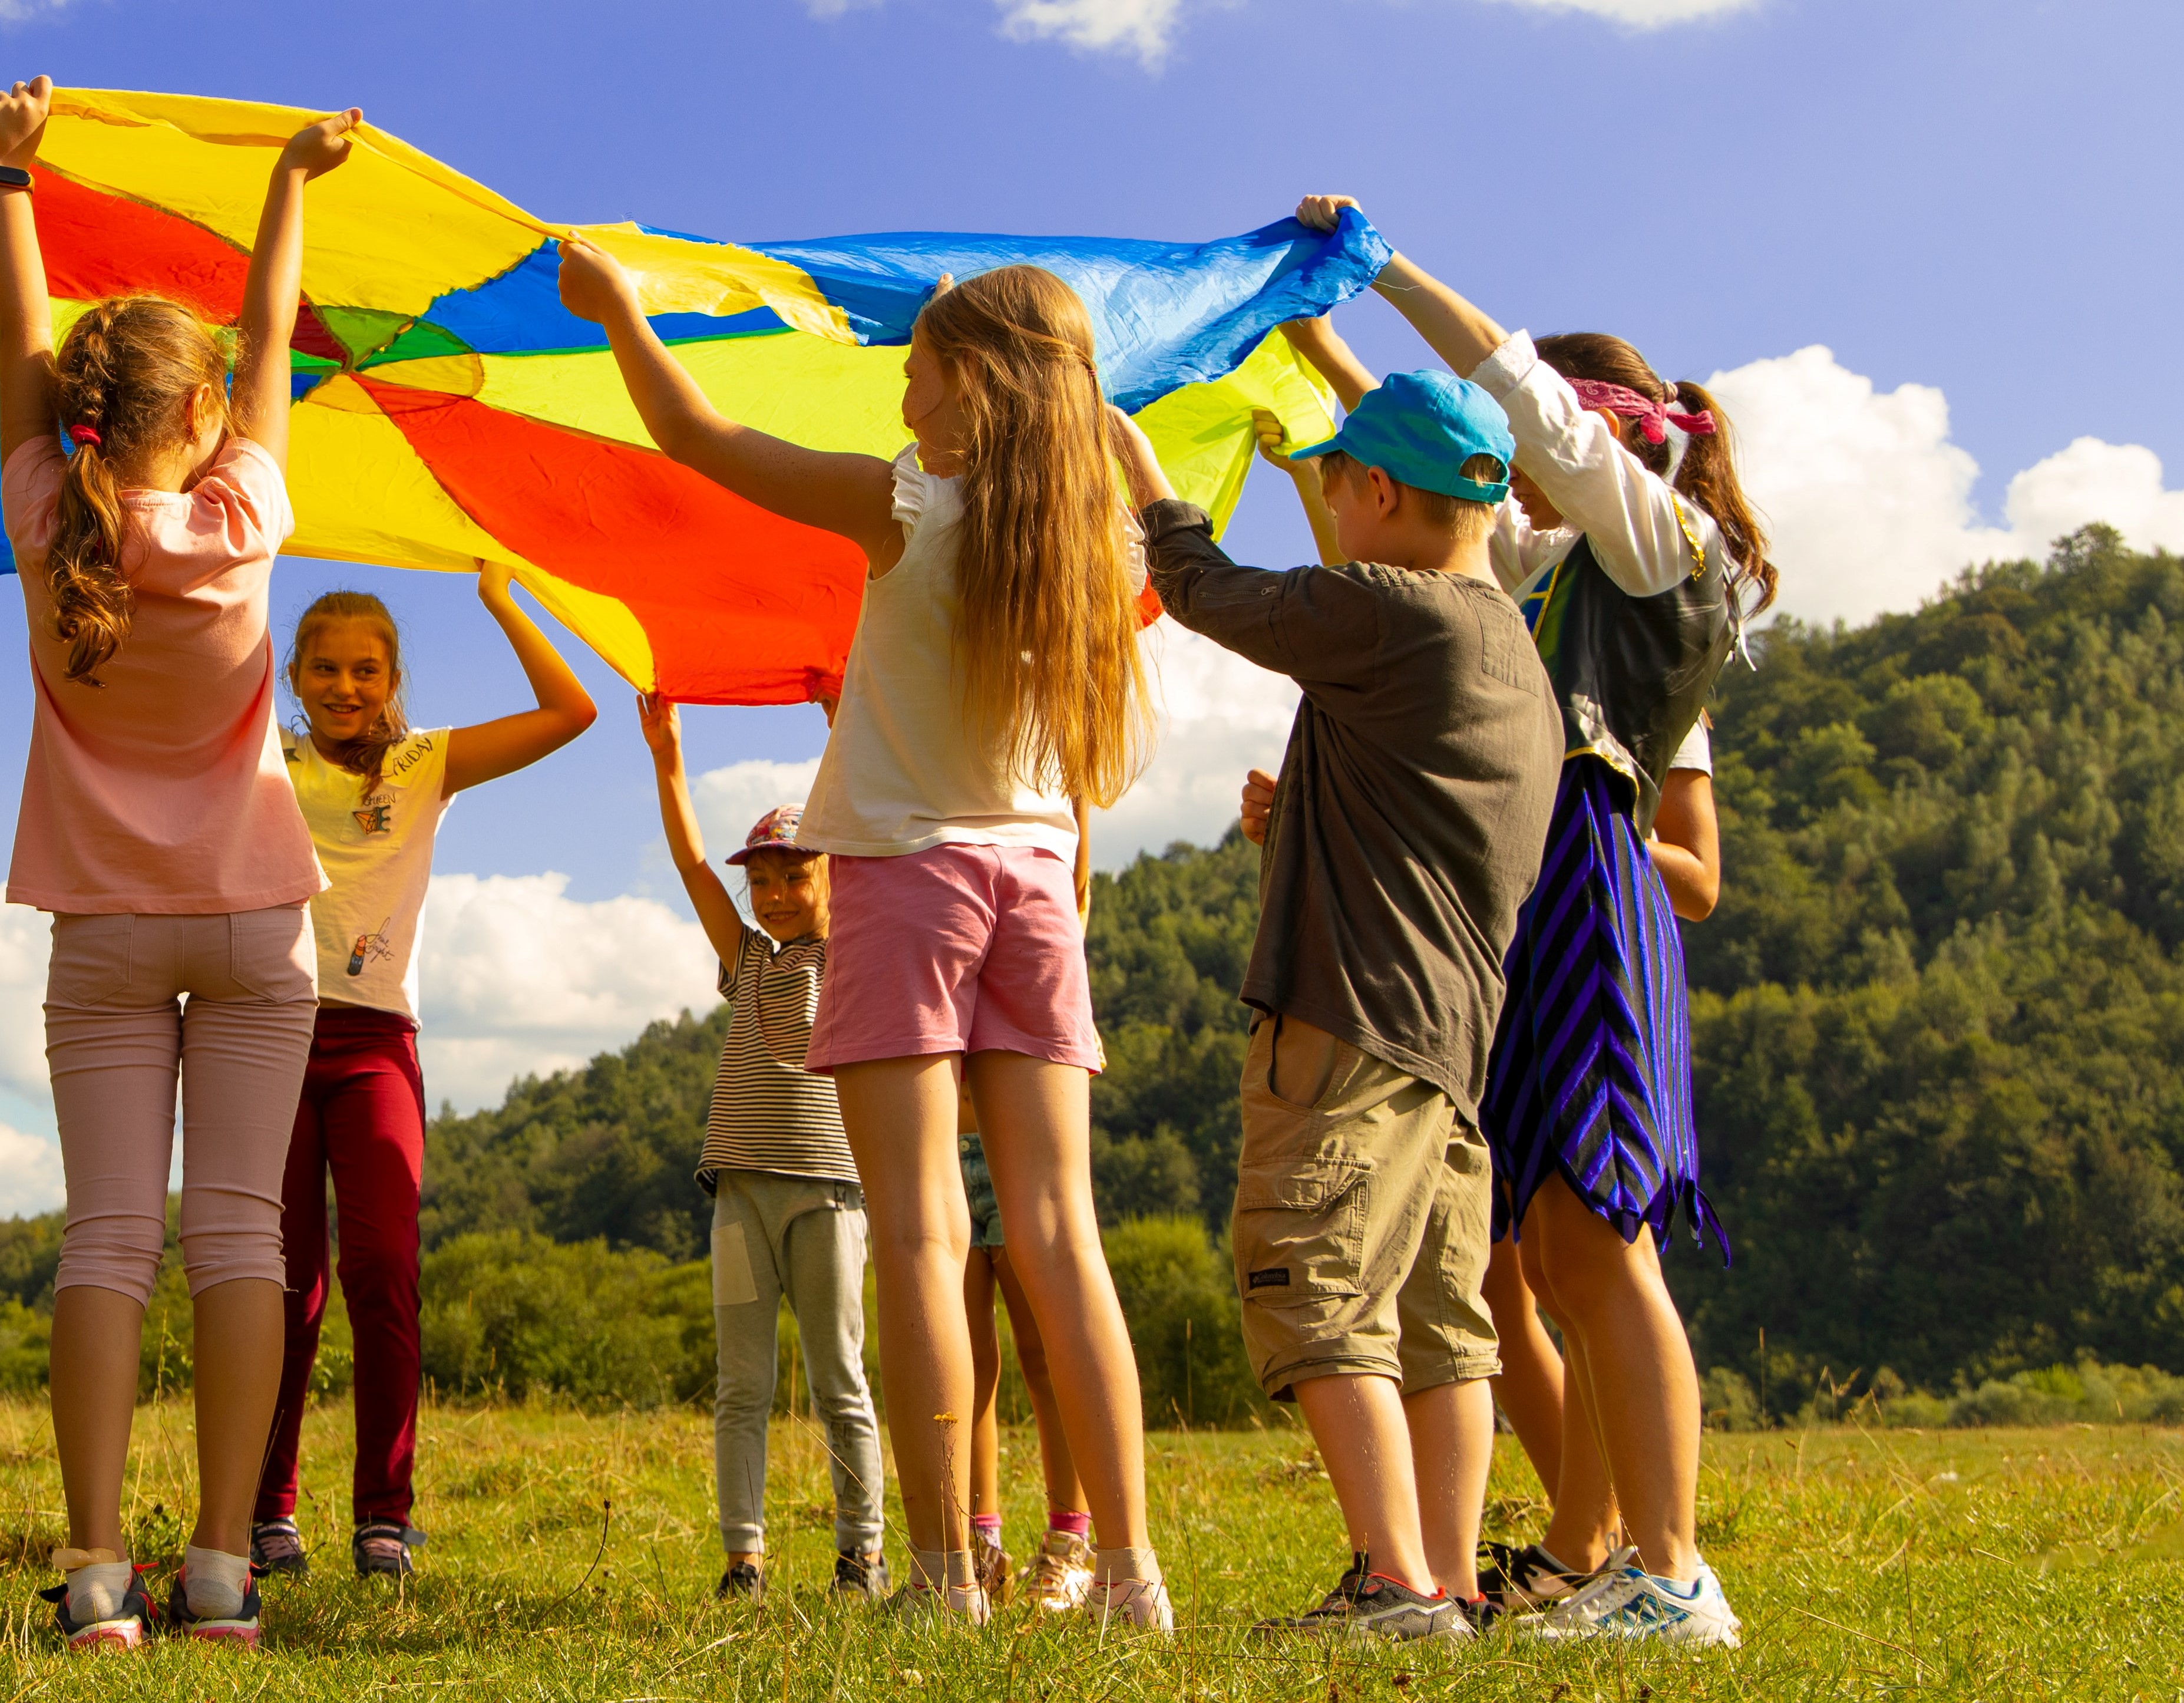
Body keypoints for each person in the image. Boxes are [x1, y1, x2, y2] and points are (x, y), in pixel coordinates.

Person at [556, 247, 1171, 1628]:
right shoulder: (1104, 542)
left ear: (975, 384)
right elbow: (1142, 488)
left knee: (916, 1230)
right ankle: (1134, 1574)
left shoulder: (907, 506)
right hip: (1035, 885)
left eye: (920, 361)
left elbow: (697, 433)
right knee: (1066, 1233)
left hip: (904, 874)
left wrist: (622, 314)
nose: (902, 380)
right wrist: (1106, 429)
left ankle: (948, 1572)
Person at [1293, 194, 1772, 1648]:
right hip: (1521, 888)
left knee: (1605, 1242)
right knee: (1556, 1248)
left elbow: (1504, 396)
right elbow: (1440, 464)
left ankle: (1673, 1568)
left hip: (1593, 876)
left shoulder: (1658, 541)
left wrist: (1385, 273)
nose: (1510, 482)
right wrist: (1308, 337)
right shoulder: (1544, 572)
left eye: (1546, 446)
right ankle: (1617, 1552)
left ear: (1601, 435)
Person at [0, 74, 361, 1652]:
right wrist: (289, 179)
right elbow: (275, 340)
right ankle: (217, 1565)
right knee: (241, 1241)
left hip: (100, 935)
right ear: (200, 422)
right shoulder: (245, 517)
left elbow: (16, 358)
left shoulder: (40, 517)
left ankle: (90, 1569)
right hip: (254, 921)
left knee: (106, 1241)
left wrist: (9, 179)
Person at [1120, 351, 1562, 1639]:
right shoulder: (1508, 653)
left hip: (1352, 1018)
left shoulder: (1399, 608)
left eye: (1334, 483)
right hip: (1445, 1038)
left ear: (1374, 487)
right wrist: (1302, 814)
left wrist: (1141, 474)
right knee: (1440, 1323)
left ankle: (1390, 1578)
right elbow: (1427, 830)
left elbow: (1203, 586)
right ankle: (1452, 1583)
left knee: (1318, 1283)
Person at [249, 574, 594, 1583]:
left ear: (395, 677)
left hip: (374, 1047)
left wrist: (502, 598)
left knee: (384, 1272)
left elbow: (571, 711)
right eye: (325, 667)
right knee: (283, 1288)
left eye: (365, 668)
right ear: (293, 675)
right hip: (270, 1038)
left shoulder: (424, 763)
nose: (345, 685)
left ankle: (382, 1519)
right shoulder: (264, 758)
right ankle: (269, 1512)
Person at [638, 702, 889, 1604]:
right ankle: (742, 1558)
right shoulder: (745, 959)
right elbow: (692, 866)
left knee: (838, 1380)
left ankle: (861, 1552)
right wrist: (669, 759)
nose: (777, 893)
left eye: (796, 874)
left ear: (831, 876)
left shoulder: (855, 949)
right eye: (766, 881)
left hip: (826, 1194)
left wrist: (845, 724)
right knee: (740, 1383)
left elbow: (872, 826)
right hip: (739, 1196)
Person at [960, 1147, 1095, 1611]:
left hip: (1012, 1145)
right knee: (963, 1367)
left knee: (1043, 1354)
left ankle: (1068, 1545)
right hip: (936, 1149)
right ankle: (979, 1551)